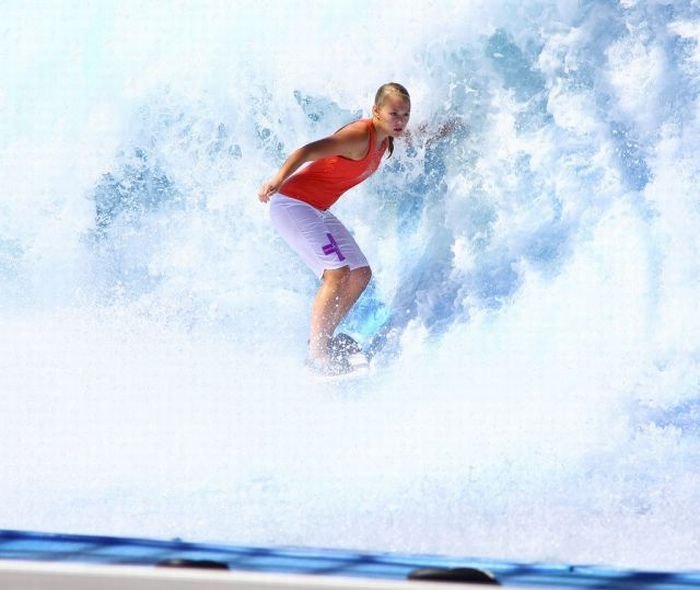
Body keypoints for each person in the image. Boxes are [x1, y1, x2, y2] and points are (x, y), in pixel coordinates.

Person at [258, 82, 411, 375]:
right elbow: (306, 151)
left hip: (316, 209)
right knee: (337, 272)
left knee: (360, 273)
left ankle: (321, 339)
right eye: (394, 114)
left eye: (405, 114)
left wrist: (444, 130)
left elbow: (410, 134)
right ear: (376, 111)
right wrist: (277, 180)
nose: (400, 121)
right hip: (292, 204)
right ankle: (317, 355)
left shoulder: (386, 138)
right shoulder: (357, 137)